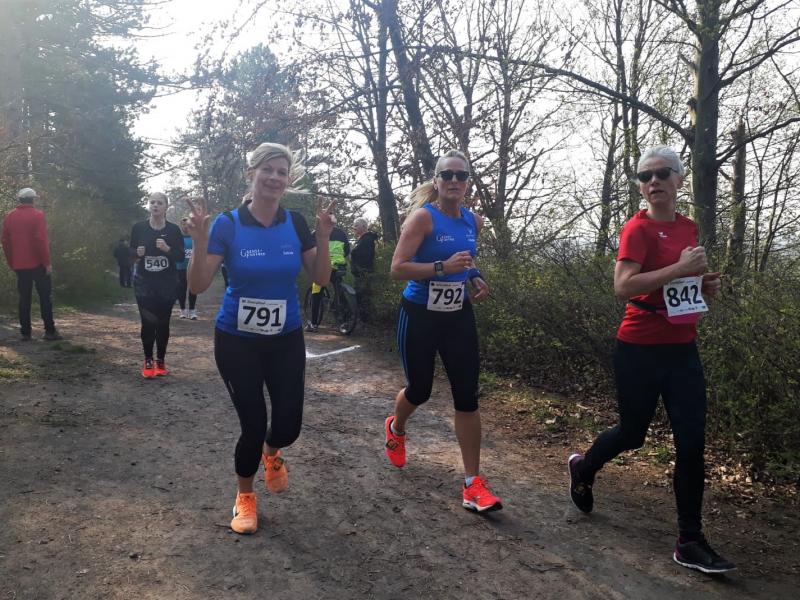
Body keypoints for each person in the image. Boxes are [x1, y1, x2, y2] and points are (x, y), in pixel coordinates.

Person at [567, 146, 734, 574]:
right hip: (638, 348)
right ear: (641, 186)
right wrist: (679, 270)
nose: (653, 181)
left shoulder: (689, 227)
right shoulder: (636, 229)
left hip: (682, 349)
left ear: (679, 179)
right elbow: (624, 285)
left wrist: (702, 284)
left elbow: (678, 286)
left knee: (691, 442)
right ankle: (584, 467)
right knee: (632, 433)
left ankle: (689, 540)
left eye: (662, 173)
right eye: (645, 176)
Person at [185, 142, 335, 535]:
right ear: (251, 174)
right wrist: (199, 241)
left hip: (285, 338)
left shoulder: (296, 223)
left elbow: (321, 278)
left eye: (282, 172)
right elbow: (198, 285)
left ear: (288, 180)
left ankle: (272, 452)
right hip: (237, 340)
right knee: (253, 424)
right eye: (267, 169)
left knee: (288, 426)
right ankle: (245, 496)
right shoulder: (228, 224)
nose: (274, 177)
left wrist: (322, 237)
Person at [384, 149, 500, 513]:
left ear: (468, 183)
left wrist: (474, 276)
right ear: (436, 181)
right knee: (420, 389)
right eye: (447, 174)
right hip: (419, 315)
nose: (454, 181)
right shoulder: (423, 218)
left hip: (457, 315)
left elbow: (466, 259)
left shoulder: (473, 221)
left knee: (467, 396)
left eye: (461, 175)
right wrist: (441, 267)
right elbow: (398, 268)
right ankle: (396, 427)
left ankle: (473, 483)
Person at [129, 192, 184, 378]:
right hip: (144, 283)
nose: (155, 206)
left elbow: (180, 256)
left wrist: (167, 249)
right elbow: (130, 254)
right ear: (148, 205)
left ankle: (160, 360)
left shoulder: (174, 230)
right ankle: (148, 360)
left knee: (163, 322)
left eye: (159, 203)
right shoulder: (139, 228)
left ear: (166, 206)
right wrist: (136, 253)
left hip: (167, 283)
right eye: (152, 202)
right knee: (147, 322)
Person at [1, 187, 62, 341]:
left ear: (19, 199)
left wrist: (11, 261)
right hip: (38, 263)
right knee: (45, 297)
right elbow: (40, 240)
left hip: (19, 264)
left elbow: (5, 241)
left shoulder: (10, 216)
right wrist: (47, 263)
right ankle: (49, 331)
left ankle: (25, 333)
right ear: (33, 199)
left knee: (24, 298)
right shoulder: (38, 215)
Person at [306, 224, 349, 332]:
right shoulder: (341, 233)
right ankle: (345, 321)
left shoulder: (316, 233)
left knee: (316, 294)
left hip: (323, 268)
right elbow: (347, 250)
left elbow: (309, 251)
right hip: (339, 266)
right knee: (340, 291)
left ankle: (314, 324)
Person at [350, 217, 379, 323]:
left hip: (364, 273)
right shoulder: (363, 239)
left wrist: (353, 252)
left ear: (363, 226)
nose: (354, 228)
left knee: (363, 296)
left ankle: (366, 321)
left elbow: (365, 257)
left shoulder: (367, 240)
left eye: (356, 226)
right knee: (362, 296)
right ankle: (365, 320)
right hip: (360, 274)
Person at [175, 217, 198, 319]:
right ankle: (183, 311)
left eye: (187, 224)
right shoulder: (177, 238)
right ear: (181, 226)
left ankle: (192, 311)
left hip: (193, 268)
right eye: (183, 224)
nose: (185, 226)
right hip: (180, 268)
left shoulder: (195, 238)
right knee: (181, 290)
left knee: (193, 289)